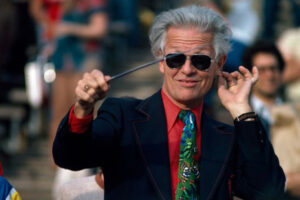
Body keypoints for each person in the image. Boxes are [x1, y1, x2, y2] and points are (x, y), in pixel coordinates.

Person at [53, 5, 285, 200]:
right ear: (161, 61)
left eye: (201, 61)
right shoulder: (122, 116)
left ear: (220, 63)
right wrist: (83, 107)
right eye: (175, 59)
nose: (187, 69)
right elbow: (71, 157)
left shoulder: (228, 137)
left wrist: (242, 111)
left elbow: (269, 191)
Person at [241, 40, 285, 137]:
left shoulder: (295, 111)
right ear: (249, 75)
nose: (270, 75)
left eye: (273, 68)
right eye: (262, 70)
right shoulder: (236, 115)